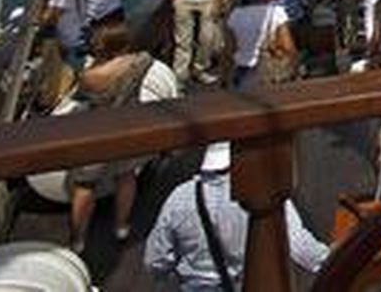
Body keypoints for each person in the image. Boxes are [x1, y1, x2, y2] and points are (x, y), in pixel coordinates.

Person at [145, 141, 329, 290]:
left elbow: (155, 261)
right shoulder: (262, 191)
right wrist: (338, 257)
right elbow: (300, 248)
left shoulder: (179, 197)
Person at [65, 20, 156, 252]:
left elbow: (81, 98)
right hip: (128, 128)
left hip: (97, 131)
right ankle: (121, 226)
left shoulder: (89, 76)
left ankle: (78, 239)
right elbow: (143, 51)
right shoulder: (141, 62)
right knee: (126, 176)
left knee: (84, 185)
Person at [225, 0, 296, 90]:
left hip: (241, 73)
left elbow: (228, 52)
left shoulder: (235, 14)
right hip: (268, 72)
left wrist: (224, 79)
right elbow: (288, 47)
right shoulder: (276, 13)